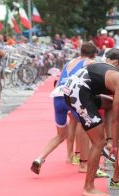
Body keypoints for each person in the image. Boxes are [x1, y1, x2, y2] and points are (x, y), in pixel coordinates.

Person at [62, 63, 119, 196]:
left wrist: (113, 138)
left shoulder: (117, 74)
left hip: (77, 89)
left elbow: (116, 113)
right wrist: (115, 144)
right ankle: (88, 187)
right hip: (78, 93)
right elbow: (116, 118)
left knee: (108, 104)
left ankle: (107, 139)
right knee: (98, 142)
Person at [30, 42, 98, 175]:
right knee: (85, 126)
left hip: (58, 97)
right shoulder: (90, 62)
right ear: (93, 54)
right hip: (72, 96)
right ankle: (83, 164)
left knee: (61, 135)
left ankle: (40, 158)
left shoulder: (69, 63)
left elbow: (59, 80)